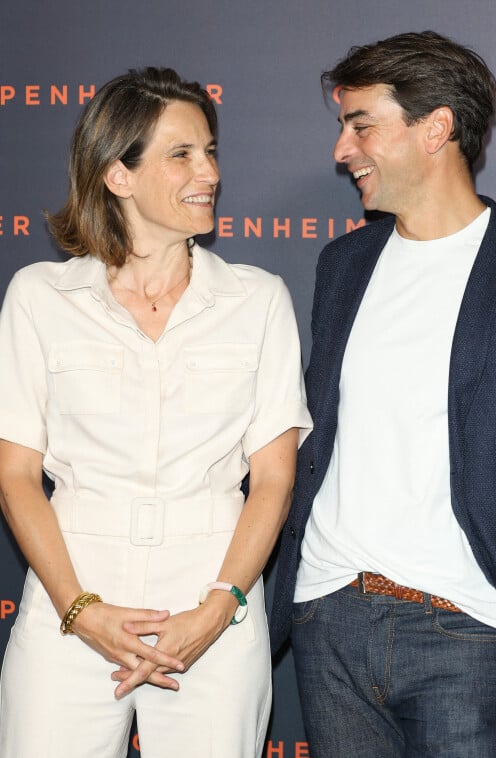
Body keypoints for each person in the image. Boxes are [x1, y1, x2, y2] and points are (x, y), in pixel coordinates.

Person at [270, 31, 496, 758]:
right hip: (329, 618)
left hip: (464, 627)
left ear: (436, 127)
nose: (342, 151)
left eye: (362, 125)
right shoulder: (344, 263)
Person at [0, 66, 311, 757]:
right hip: (69, 598)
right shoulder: (39, 297)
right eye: (182, 154)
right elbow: (16, 473)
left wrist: (217, 609)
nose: (209, 171)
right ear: (118, 175)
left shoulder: (257, 300)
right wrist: (80, 610)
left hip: (215, 605)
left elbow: (274, 479)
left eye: (211, 151)